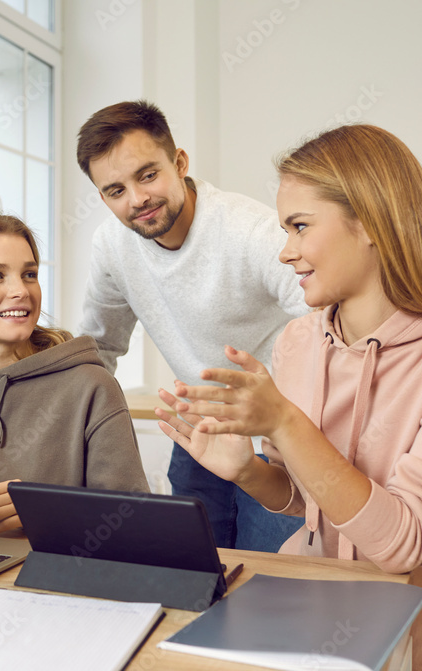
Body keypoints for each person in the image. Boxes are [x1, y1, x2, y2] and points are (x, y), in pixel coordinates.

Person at [157, 124, 422, 669]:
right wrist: (248, 473)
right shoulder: (299, 341)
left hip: (418, 641)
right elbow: (309, 501)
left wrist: (287, 423)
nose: (285, 253)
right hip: (309, 615)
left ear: (369, 221)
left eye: (299, 227)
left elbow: (404, 544)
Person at [76, 100, 308, 551]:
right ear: (103, 197)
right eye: (115, 190)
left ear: (179, 162)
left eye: (147, 175)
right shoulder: (111, 246)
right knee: (196, 576)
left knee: (275, 584)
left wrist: (290, 409)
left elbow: (325, 321)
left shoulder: (249, 230)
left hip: (276, 440)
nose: (137, 199)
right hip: (197, 435)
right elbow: (97, 348)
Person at [0, 211, 149, 534]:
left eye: (29, 274)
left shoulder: (91, 386)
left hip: (55, 577)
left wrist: (48, 511)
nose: (21, 290)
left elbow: (135, 523)